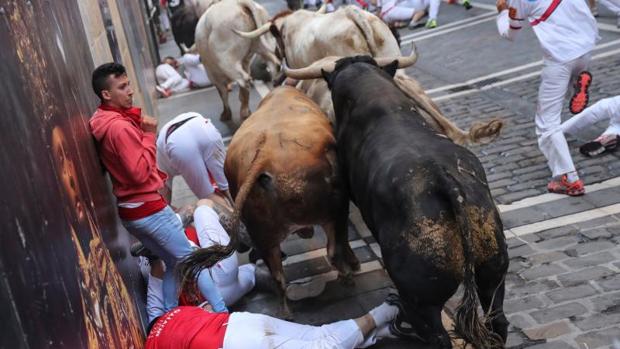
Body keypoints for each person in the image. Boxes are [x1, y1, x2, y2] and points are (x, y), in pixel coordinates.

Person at [89, 63, 227, 313]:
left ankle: (171, 314)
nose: (130, 91)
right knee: (192, 260)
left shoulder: (103, 119)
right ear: (106, 94)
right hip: (147, 209)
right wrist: (149, 134)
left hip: (133, 211)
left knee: (174, 263)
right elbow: (139, 173)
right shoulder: (119, 128)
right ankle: (224, 314)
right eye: (122, 87)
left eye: (128, 84)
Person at [496, 0, 599, 196]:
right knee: (569, 86)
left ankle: (568, 178)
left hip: (560, 56)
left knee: (547, 122)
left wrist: (502, 12)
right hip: (585, 46)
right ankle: (577, 81)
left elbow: (511, 33)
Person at [142, 198, 274, 323]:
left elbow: (157, 313)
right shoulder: (158, 247)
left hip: (223, 296)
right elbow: (190, 209)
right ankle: (260, 245)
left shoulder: (150, 257)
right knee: (204, 207)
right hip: (219, 274)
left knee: (249, 273)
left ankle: (265, 277)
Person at [145, 295, 402, 349]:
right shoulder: (177, 312)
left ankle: (386, 311)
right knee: (317, 334)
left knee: (324, 348)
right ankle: (384, 330)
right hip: (240, 322)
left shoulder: (153, 345)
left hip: (235, 343)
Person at [156, 112, 234, 207]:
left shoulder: (158, 157)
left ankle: (234, 219)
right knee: (228, 185)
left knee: (208, 196)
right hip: (201, 125)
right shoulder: (160, 145)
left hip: (178, 142)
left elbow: (164, 194)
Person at [377, 0, 442, 29]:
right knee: (420, 12)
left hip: (388, 10)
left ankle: (430, 19)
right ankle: (413, 22)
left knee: (421, 11)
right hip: (393, 9)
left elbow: (377, 6)